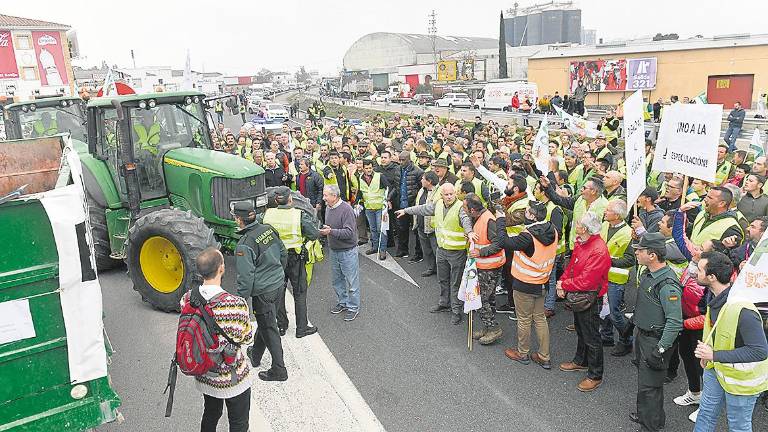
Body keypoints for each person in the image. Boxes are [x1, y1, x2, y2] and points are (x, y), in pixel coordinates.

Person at [693, 251, 768, 432]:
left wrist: (713, 354)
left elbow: (760, 351)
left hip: (742, 381)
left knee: (738, 426)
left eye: (700, 269)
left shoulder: (743, 309)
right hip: (716, 368)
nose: (695, 272)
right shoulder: (716, 296)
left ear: (711, 277)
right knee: (705, 414)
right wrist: (709, 354)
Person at [184, 247, 253, 432]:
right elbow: (246, 337)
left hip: (205, 372)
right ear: (221, 269)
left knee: (211, 413)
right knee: (238, 423)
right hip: (233, 377)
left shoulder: (188, 299)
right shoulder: (235, 303)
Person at [396, 183, 473, 325]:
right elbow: (423, 209)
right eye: (446, 194)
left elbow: (466, 220)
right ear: (441, 195)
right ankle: (444, 303)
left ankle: (456, 311)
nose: (449, 196)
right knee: (443, 279)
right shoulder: (437, 205)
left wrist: (470, 232)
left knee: (455, 283)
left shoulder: (461, 207)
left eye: (451, 194)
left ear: (455, 193)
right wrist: (406, 211)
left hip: (457, 252)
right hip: (442, 250)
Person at [629, 232, 684, 432]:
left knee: (650, 387)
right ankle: (648, 416)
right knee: (646, 383)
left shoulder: (667, 285)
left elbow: (675, 322)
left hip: (654, 341)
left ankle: (650, 425)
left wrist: (660, 349)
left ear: (652, 255)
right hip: (643, 336)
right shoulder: (649, 274)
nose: (636, 253)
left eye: (640, 250)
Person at [496, 201, 558, 368]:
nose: (524, 214)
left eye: (527, 212)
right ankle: (544, 356)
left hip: (524, 283)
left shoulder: (528, 236)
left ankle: (522, 353)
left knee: (523, 319)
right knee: (540, 319)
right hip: (542, 282)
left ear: (532, 216)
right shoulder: (552, 229)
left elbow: (503, 241)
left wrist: (501, 218)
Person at [231, 201, 288, 382]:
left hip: (263, 292)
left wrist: (240, 301)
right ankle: (255, 355)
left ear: (239, 220)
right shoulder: (268, 229)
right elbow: (283, 253)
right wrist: (279, 274)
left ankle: (279, 370)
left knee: (269, 327)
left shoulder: (245, 244)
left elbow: (245, 278)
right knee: (266, 322)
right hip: (278, 284)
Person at [557, 212, 611, 391]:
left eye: (578, 224)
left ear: (585, 229)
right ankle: (581, 361)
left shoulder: (598, 250)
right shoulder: (583, 243)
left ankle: (595, 374)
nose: (576, 226)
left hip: (589, 297)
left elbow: (587, 281)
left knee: (591, 335)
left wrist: (564, 284)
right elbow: (572, 268)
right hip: (581, 295)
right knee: (582, 330)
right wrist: (562, 281)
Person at [259, 187, 320, 338]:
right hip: (295, 258)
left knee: (279, 292)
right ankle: (301, 328)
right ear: (290, 200)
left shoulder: (267, 215)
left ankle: (282, 325)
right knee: (299, 293)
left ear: (275, 200)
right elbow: (313, 234)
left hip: (275, 259)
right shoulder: (298, 215)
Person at [465, 194, 506, 345]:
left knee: (482, 299)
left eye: (466, 209)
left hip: (489, 266)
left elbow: (498, 244)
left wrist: (480, 252)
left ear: (473, 210)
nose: (464, 211)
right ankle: (487, 327)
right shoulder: (480, 217)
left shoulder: (488, 220)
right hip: (485, 265)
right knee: (489, 298)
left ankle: (493, 328)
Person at [599, 199, 636, 356]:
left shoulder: (629, 234)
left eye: (608, 210)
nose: (605, 212)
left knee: (615, 313)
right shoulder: (605, 225)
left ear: (617, 215)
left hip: (616, 278)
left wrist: (607, 260)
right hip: (601, 275)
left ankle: (626, 341)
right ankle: (606, 336)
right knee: (604, 308)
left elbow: (630, 259)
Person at [320, 185, 360, 322]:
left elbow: (349, 233)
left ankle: (353, 307)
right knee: (337, 280)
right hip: (334, 250)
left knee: (351, 281)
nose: (323, 198)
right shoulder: (329, 208)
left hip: (347, 251)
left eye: (326, 195)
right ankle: (343, 302)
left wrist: (331, 231)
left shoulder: (346, 210)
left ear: (334, 196)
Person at [540, 175, 609, 250]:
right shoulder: (579, 199)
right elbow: (560, 200)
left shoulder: (606, 207)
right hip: (575, 246)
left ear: (593, 191)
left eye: (584, 188)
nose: (581, 190)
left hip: (592, 250)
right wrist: (548, 187)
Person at [358, 159, 391, 260]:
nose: (369, 170)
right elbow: (361, 192)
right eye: (366, 168)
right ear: (363, 168)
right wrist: (357, 203)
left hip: (380, 207)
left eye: (370, 168)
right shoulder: (360, 177)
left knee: (381, 229)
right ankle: (375, 247)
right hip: (369, 207)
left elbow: (389, 188)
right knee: (372, 229)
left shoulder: (380, 176)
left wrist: (388, 200)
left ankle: (382, 250)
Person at [396, 151, 424, 259]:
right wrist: (389, 198)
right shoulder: (398, 170)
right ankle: (403, 250)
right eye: (400, 160)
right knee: (401, 228)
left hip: (413, 205)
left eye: (403, 160)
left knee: (416, 229)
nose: (401, 162)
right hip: (401, 204)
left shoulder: (418, 172)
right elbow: (396, 186)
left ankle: (418, 253)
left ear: (409, 160)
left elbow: (422, 189)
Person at [414, 171, 441, 277]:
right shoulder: (422, 190)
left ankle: (441, 272)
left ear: (429, 181)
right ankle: (431, 268)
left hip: (432, 228)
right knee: (426, 250)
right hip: (421, 225)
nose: (421, 180)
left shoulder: (439, 192)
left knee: (436, 251)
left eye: (423, 179)